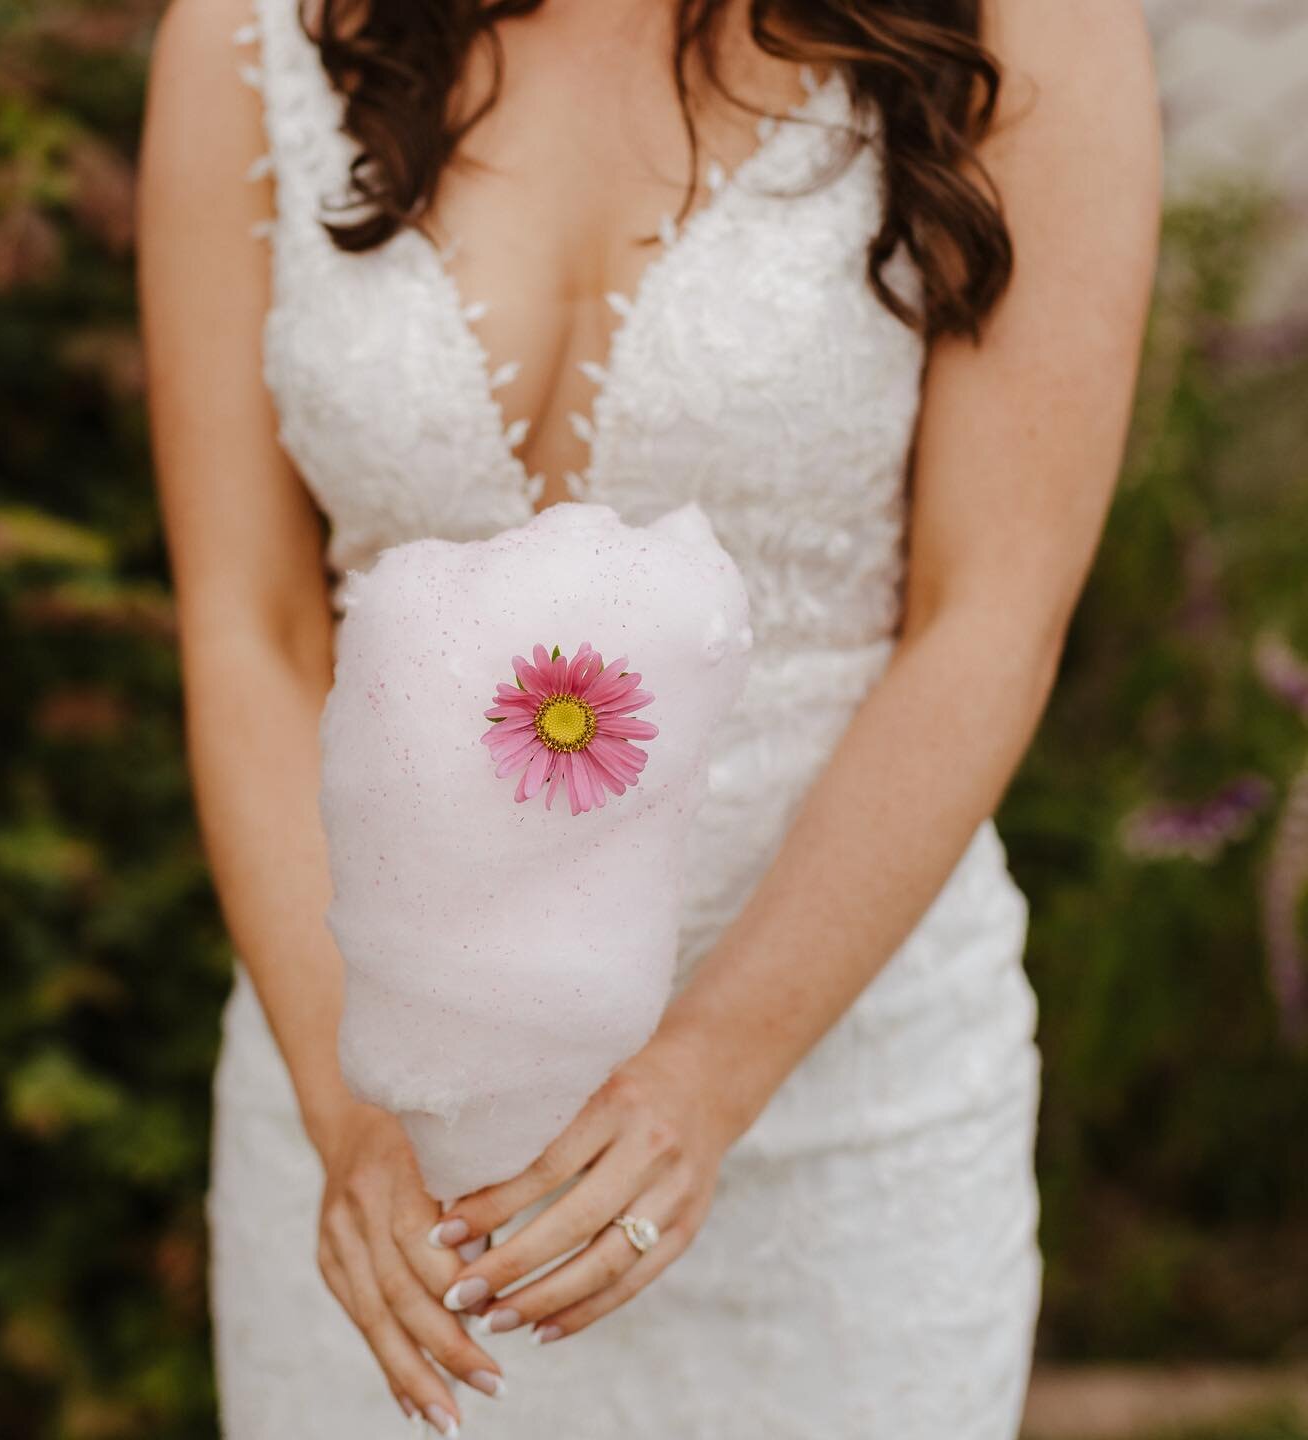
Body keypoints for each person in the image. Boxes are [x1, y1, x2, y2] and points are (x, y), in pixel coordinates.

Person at [136, 0, 1162, 1434]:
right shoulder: (253, 30)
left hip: (835, 1105)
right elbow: (254, 624)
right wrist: (351, 1107)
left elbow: (989, 613)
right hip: (372, 1117)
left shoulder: (1019, 24)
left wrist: (704, 1080)